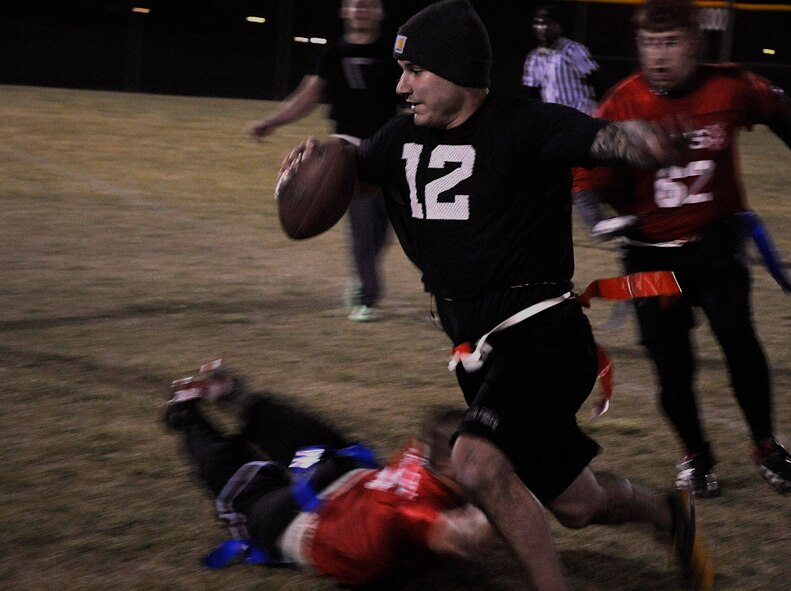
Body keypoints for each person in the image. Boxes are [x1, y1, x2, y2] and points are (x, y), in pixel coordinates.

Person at [280, 1, 714, 589]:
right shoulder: (399, 137)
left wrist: (654, 142)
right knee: (578, 505)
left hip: (543, 337)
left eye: (415, 71)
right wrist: (312, 165)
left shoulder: (528, 125)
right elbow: (351, 175)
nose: (401, 84)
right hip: (478, 352)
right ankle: (669, 515)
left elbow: (613, 139)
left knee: (477, 462)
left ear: (457, 70)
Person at [572, 0, 791, 498]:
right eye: (650, 43)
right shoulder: (621, 104)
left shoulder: (731, 86)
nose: (659, 55)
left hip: (715, 247)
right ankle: (695, 454)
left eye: (670, 42)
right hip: (650, 255)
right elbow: (584, 174)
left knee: (740, 343)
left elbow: (779, 110)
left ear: (695, 43)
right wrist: (597, 221)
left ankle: (766, 445)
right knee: (672, 364)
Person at [163, 359, 494, 586]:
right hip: (301, 522)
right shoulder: (415, 514)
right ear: (450, 464)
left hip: (338, 490)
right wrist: (498, 502)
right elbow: (460, 539)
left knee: (314, 449)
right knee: (245, 485)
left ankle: (220, 402)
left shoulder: (425, 449)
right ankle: (186, 413)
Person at [248, 0, 401, 322]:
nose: (361, 9)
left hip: (388, 147)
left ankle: (363, 281)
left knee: (382, 230)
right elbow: (308, 96)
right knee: (361, 227)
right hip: (347, 150)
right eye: (355, 4)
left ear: (379, 12)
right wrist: (273, 121)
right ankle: (365, 295)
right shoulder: (332, 54)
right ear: (344, 11)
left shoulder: (394, 52)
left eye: (368, 5)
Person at [522, 4, 601, 115]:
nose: (542, 27)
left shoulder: (573, 49)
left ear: (558, 26)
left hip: (581, 113)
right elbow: (533, 93)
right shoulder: (533, 57)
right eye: (538, 23)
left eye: (547, 22)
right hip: (556, 117)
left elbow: (595, 80)